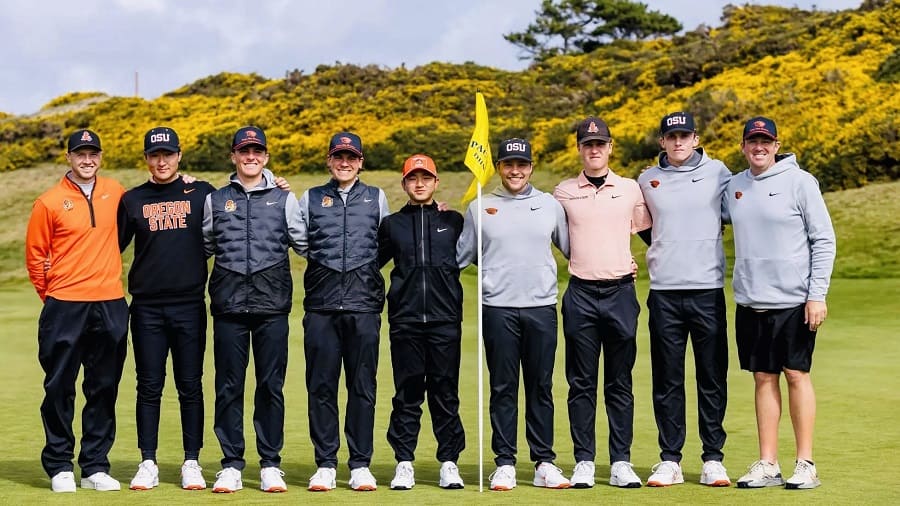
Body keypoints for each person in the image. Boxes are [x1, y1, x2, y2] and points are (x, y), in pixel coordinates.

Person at [727, 117, 835, 490]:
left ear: (775, 145)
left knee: (795, 374)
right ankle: (768, 462)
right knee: (762, 377)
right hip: (751, 299)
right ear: (743, 146)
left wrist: (816, 294)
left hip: (793, 300)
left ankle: (805, 462)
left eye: (765, 141)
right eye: (752, 141)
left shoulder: (801, 183)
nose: (759, 147)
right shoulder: (734, 186)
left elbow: (823, 239)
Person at [457, 137, 571, 491]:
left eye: (522, 164)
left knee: (540, 386)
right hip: (498, 309)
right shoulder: (480, 206)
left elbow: (570, 248)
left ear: (531, 167)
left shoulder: (550, 205)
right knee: (502, 387)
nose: (515, 170)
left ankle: (544, 463)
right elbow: (464, 255)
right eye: (509, 164)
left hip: (541, 307)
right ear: (499, 168)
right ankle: (504, 462)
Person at [201, 126, 304, 494]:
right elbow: (206, 244)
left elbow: (304, 242)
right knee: (228, 385)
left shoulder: (284, 198)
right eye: (244, 151)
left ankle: (270, 464)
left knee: (270, 386)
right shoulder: (216, 199)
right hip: (229, 304)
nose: (251, 157)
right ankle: (230, 464)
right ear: (233, 156)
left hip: (272, 305)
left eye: (257, 151)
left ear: (266, 157)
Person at [25, 129, 129, 493]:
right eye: (80, 154)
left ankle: (95, 467)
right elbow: (36, 258)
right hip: (64, 305)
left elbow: (152, 200)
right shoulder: (48, 202)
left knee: (103, 387)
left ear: (101, 156)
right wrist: (53, 295)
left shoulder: (116, 192)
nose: (87, 160)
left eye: (93, 153)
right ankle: (59, 465)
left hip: (111, 303)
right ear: (68, 157)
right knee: (59, 388)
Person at [553, 116, 652, 489]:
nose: (594, 150)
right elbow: (546, 229)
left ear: (610, 147)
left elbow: (651, 233)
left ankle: (621, 461)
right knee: (580, 382)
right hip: (580, 293)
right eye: (587, 144)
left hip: (620, 294)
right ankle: (583, 460)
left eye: (600, 144)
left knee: (619, 381)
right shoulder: (562, 192)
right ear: (579, 149)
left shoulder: (629, 189)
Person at [636, 112, 733, 487]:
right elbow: (644, 226)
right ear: (662, 141)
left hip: (707, 289)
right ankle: (670, 459)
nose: (678, 142)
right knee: (667, 379)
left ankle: (712, 458)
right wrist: (666, 249)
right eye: (671, 136)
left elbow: (736, 209)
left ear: (696, 138)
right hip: (664, 291)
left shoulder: (719, 172)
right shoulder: (647, 179)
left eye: (685, 135)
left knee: (711, 376)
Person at [117, 127, 216, 491]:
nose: (162, 161)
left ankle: (192, 461)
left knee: (190, 386)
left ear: (179, 156)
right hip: (146, 309)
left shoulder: (202, 192)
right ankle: (148, 461)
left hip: (190, 305)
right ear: (146, 158)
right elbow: (107, 246)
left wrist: (276, 183)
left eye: (168, 155)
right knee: (149, 386)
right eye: (155, 155)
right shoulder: (132, 200)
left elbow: (241, 204)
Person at [298, 132, 389, 492]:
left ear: (361, 161)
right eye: (339, 156)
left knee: (361, 386)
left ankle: (360, 463)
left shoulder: (376, 197)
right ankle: (325, 463)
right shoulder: (311, 198)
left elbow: (386, 241)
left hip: (363, 305)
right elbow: (302, 240)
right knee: (321, 386)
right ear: (329, 161)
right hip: (321, 305)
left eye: (351, 157)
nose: (345, 162)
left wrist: (362, 270)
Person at [378, 154, 466, 491]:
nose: (419, 183)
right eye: (413, 178)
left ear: (435, 182)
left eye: (425, 178)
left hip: (445, 320)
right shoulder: (392, 225)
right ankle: (404, 462)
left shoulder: (454, 221)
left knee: (445, 392)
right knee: (408, 393)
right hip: (406, 320)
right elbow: (373, 264)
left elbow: (478, 250)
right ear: (404, 184)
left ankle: (449, 462)